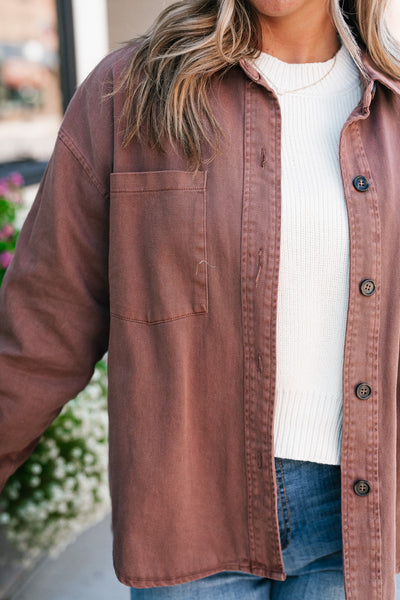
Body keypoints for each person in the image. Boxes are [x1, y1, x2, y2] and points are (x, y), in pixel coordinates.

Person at [0, 0, 400, 598]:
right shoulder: (130, 94)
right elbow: (42, 327)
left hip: (354, 521)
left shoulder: (394, 108)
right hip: (187, 513)